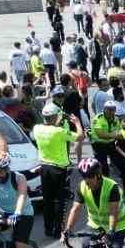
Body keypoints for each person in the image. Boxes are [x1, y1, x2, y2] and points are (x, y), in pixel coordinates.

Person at [33, 103, 81, 240]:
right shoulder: (59, 132)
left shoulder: (37, 128)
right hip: (58, 169)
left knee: (48, 200)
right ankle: (57, 230)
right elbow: (80, 137)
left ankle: (48, 229)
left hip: (44, 168)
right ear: (55, 117)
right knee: (60, 201)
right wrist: (77, 123)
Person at [89, 100, 125, 198]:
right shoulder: (98, 119)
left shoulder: (116, 119)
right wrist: (114, 135)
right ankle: (102, 193)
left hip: (111, 144)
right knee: (103, 169)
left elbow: (120, 130)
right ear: (104, 109)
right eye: (109, 110)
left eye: (113, 110)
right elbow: (100, 134)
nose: (111, 112)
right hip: (99, 145)